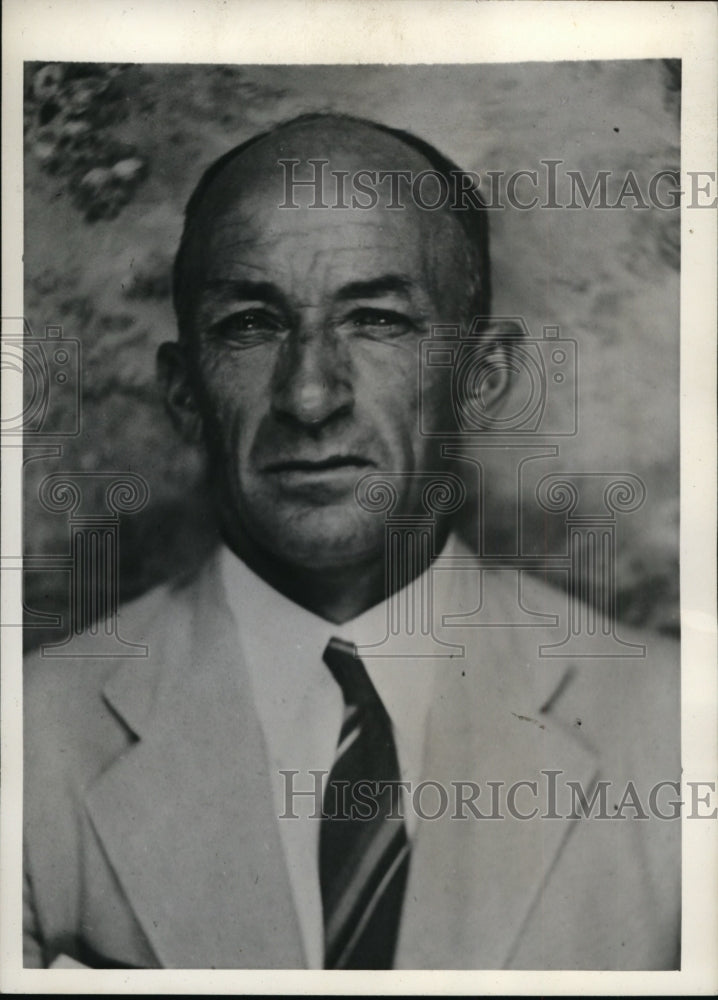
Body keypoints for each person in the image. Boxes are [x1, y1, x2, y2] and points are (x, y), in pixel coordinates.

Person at [23, 113, 680, 970]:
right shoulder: (28, 738)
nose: (308, 397)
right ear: (184, 394)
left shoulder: (676, 726)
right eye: (250, 325)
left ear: (483, 378)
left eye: (376, 320)